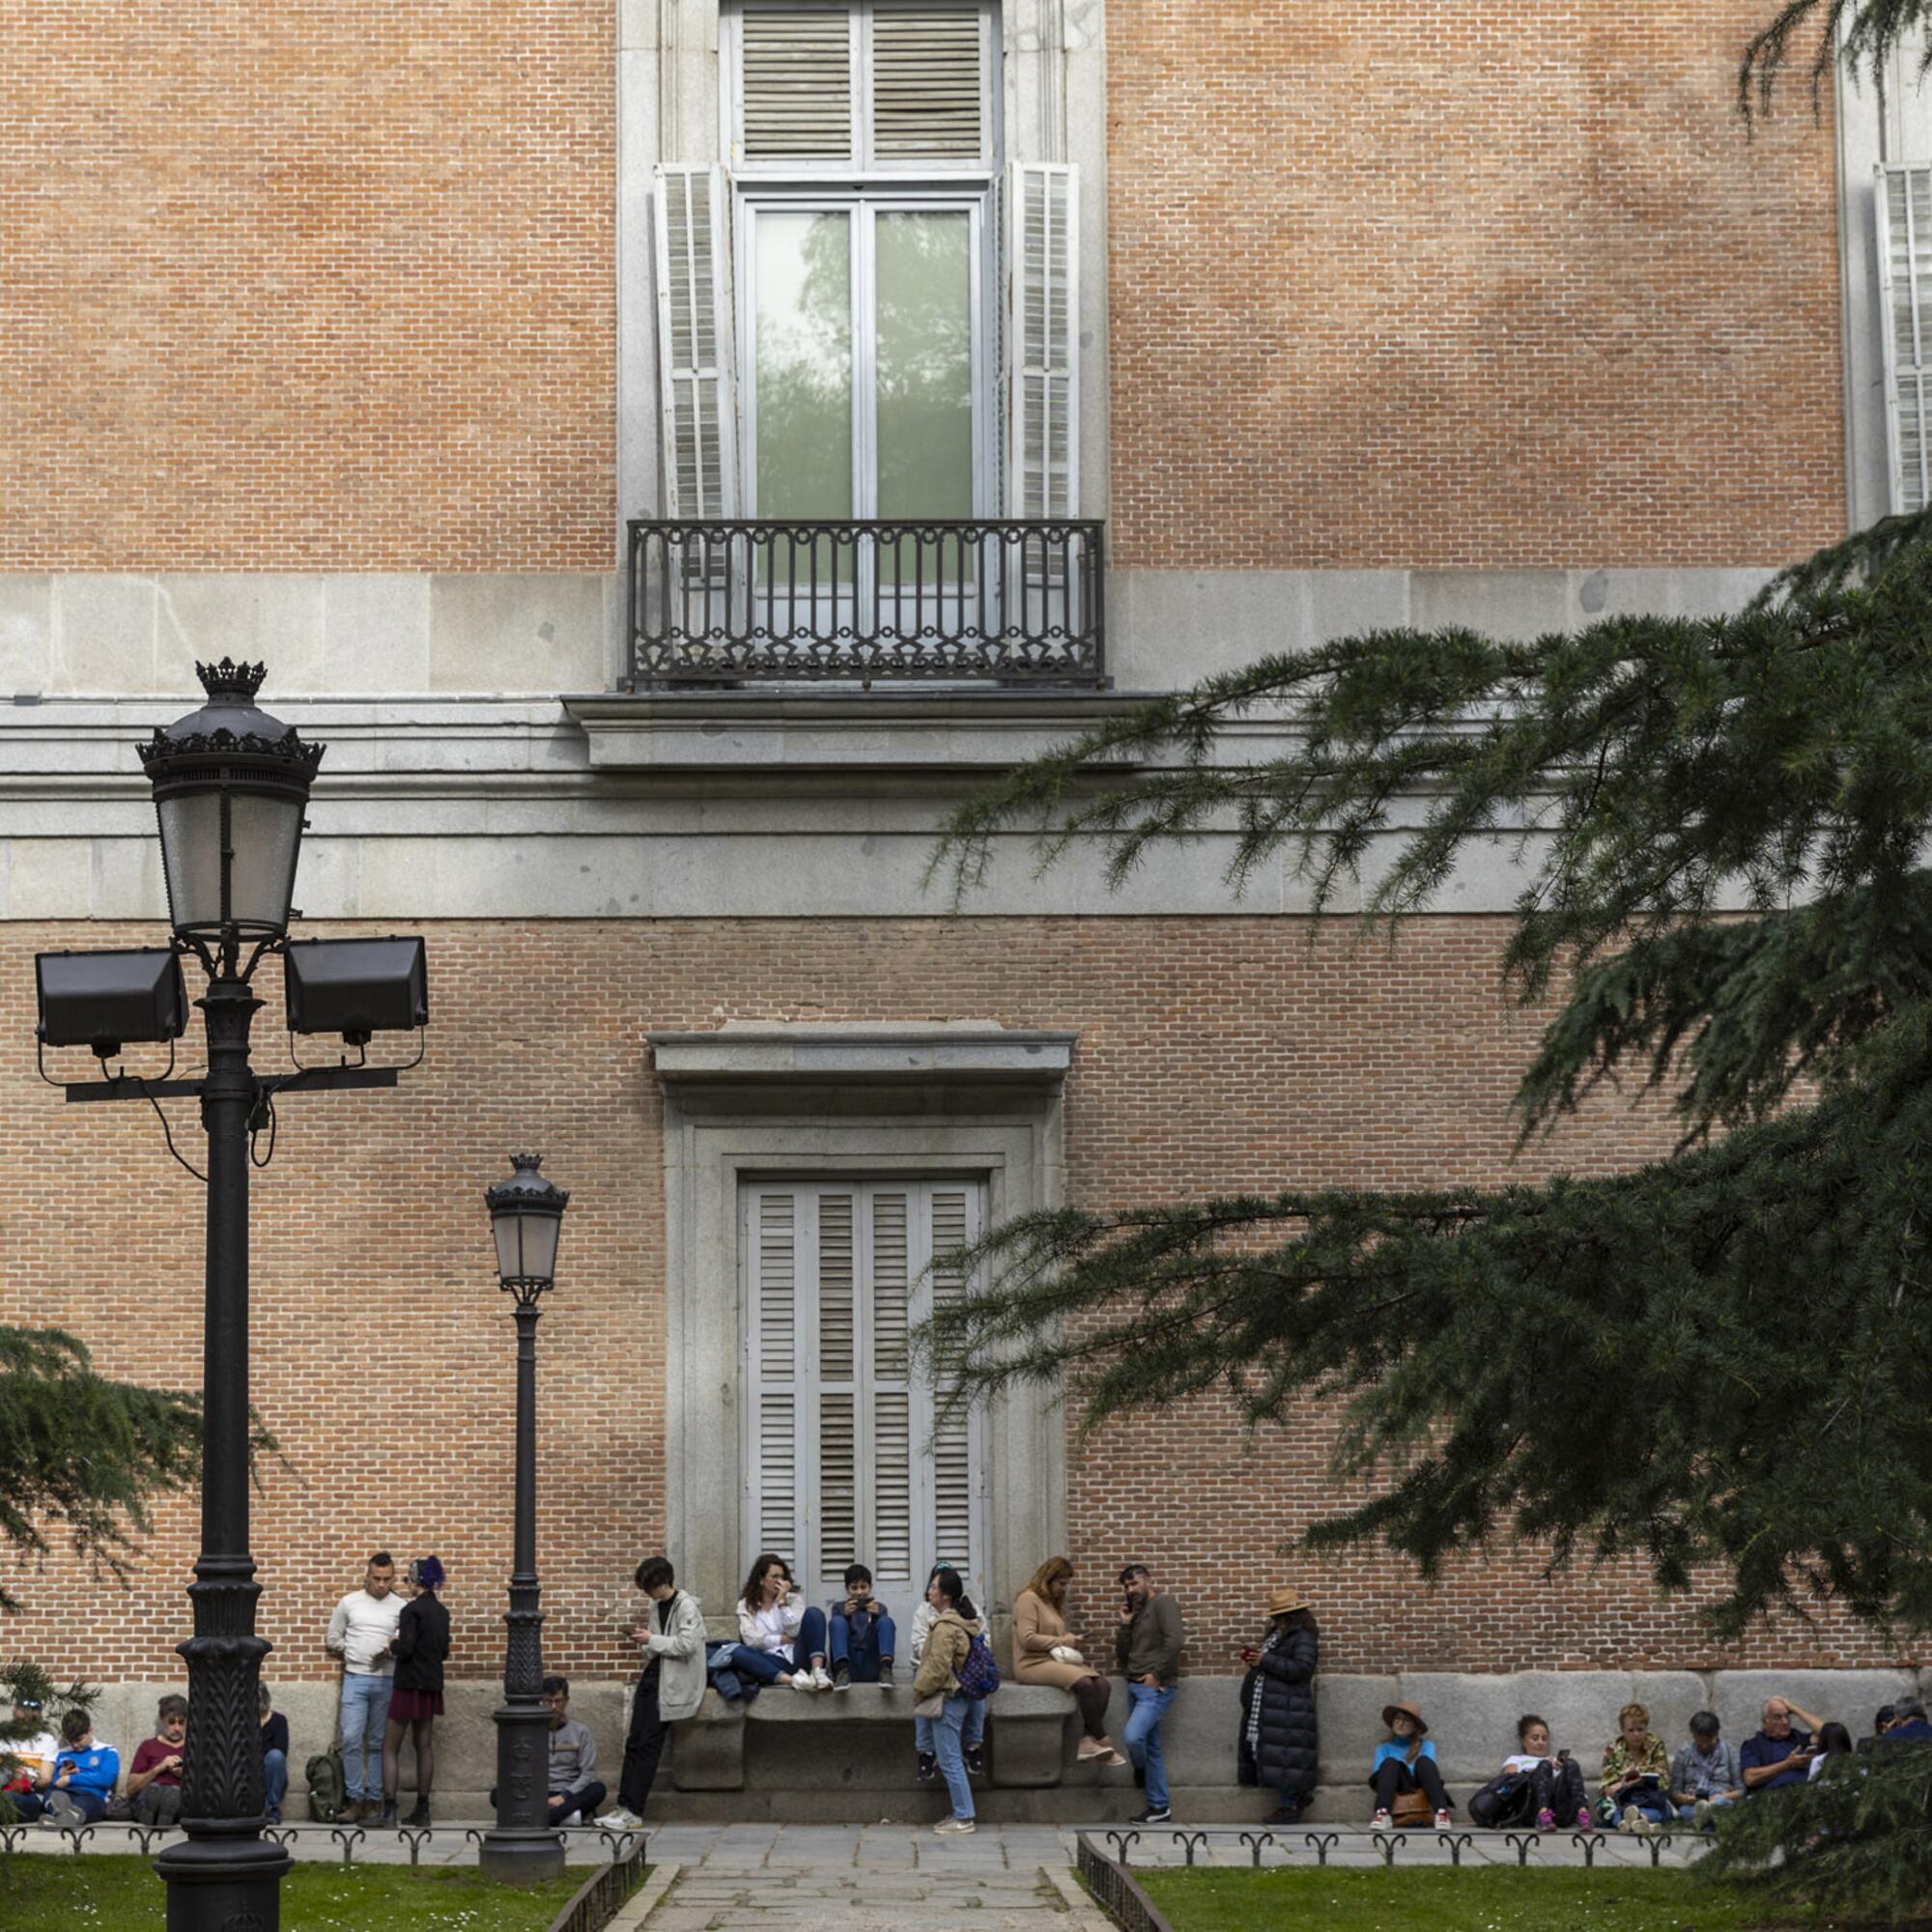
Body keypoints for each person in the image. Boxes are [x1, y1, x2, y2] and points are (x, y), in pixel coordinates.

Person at [604, 1553, 706, 1831]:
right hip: (653, 1677)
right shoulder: (655, 1606)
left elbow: (686, 1645)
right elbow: (656, 1648)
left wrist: (652, 1639)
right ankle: (623, 1806)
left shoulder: (687, 1607)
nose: (648, 1593)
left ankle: (634, 1811)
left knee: (648, 1746)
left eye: (649, 1587)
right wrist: (644, 1641)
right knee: (634, 1743)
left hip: (671, 1683)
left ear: (663, 1582)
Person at [1012, 1555, 1120, 1766]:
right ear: (1048, 1579)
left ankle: (1088, 1740)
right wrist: (1064, 1640)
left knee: (1103, 1685)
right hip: (1031, 1663)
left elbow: (1055, 1640)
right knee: (1085, 1684)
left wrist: (1071, 1641)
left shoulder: (1052, 1604)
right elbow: (1028, 1639)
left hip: (1052, 1661)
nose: (1063, 1589)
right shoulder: (1028, 1599)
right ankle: (1104, 1739)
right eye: (1061, 1583)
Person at [325, 1550, 405, 1823]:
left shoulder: (401, 1606)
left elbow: (404, 1642)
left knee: (378, 1743)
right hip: (355, 1677)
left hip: (387, 1678)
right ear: (367, 1577)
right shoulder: (349, 1603)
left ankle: (374, 1800)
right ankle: (354, 1798)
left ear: (393, 1578)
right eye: (376, 1579)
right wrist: (353, 1650)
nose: (381, 1584)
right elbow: (333, 1638)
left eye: (386, 1579)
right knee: (350, 1739)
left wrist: (389, 1651)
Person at [1236, 1584, 1319, 1825]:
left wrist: (1266, 1659)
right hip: (1272, 1706)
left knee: (1286, 1758)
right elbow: (1274, 1664)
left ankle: (1290, 1805)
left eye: (1280, 1616)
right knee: (1274, 1755)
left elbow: (1302, 1669)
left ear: (1292, 1616)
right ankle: (1293, 1799)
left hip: (1288, 1708)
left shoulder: (1303, 1638)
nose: (1276, 1620)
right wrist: (1257, 1661)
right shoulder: (1277, 1636)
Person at [913, 1565, 983, 1835]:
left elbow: (936, 1667)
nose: (929, 1591)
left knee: (949, 1759)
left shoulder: (945, 1626)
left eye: (933, 1586)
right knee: (950, 1757)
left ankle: (963, 1817)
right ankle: (961, 1812)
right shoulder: (962, 1622)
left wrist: (919, 1690)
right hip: (959, 1696)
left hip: (947, 1698)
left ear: (945, 1595)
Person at [1116, 1562, 1185, 1827]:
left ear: (1148, 1580)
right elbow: (1123, 1656)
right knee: (1152, 1747)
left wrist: (1156, 1674)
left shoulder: (1164, 1604)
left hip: (1154, 1688)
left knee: (1134, 1738)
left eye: (1134, 1583)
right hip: (1134, 1686)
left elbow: (1175, 1641)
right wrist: (1125, 1625)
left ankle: (1141, 1770)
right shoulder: (1138, 1613)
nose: (1131, 1590)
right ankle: (1159, 1808)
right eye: (1127, 1586)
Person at [383, 1554, 449, 1827]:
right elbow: (443, 1651)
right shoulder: (442, 1612)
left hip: (409, 1683)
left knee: (389, 1747)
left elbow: (405, 1648)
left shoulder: (411, 1611)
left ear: (415, 1580)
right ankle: (423, 1810)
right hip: (431, 1684)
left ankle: (389, 1810)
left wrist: (392, 1645)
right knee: (424, 1745)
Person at [1468, 1714, 1588, 1832]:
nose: (1541, 1742)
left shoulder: (1554, 1761)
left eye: (1544, 1738)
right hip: (1531, 1812)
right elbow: (1511, 1782)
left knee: (1571, 1763)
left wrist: (1563, 1771)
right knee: (1544, 1766)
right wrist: (1541, 1769)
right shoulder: (1516, 1760)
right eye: (1535, 1738)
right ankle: (1543, 1815)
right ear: (1523, 1740)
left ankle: (1582, 1814)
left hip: (1560, 1812)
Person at [731, 1552, 831, 1691]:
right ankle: (794, 1681)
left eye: (782, 1577)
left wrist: (782, 1603)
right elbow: (750, 1640)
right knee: (738, 1653)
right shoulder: (746, 1605)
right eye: (774, 1577)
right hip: (771, 1661)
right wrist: (782, 1639)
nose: (779, 1582)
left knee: (814, 1613)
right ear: (761, 1580)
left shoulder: (794, 1600)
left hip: (798, 1656)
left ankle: (818, 1673)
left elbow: (795, 1631)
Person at [1369, 1701, 1453, 1829]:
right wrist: (1398, 1767)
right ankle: (1383, 1813)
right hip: (1396, 1785)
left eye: (1406, 1720)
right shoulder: (1383, 1748)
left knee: (1424, 1761)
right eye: (1397, 1719)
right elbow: (1379, 1777)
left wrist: (1406, 1768)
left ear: (1415, 1727)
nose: (1400, 1724)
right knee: (1390, 1763)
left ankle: (1441, 1812)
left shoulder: (1426, 1745)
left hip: (1420, 1784)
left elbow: (1430, 1773)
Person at [1600, 1701, 1672, 1833]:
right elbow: (1607, 1789)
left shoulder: (1656, 1745)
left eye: (1640, 1729)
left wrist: (1640, 1778)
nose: (1636, 1734)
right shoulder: (1613, 1749)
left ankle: (1635, 1822)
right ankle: (1644, 1823)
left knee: (1663, 1812)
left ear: (1646, 1728)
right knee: (1616, 1815)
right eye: (1631, 1730)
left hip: (1650, 1800)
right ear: (1623, 1730)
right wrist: (1622, 1784)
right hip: (1625, 1802)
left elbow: (1664, 1781)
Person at [41, 1707, 119, 1827]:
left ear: (90, 1730)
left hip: (92, 1796)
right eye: (70, 1741)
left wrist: (71, 1779)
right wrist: (60, 1776)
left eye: (79, 1739)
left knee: (81, 1803)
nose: (75, 1745)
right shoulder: (63, 1753)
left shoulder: (108, 1751)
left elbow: (106, 1778)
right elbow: (54, 1783)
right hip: (64, 1793)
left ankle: (58, 1819)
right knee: (50, 1795)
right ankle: (65, 1817)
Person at [542, 1678, 605, 1826]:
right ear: (541, 1701)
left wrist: (564, 1796)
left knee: (598, 1789)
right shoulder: (531, 1732)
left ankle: (541, 1818)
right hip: (540, 1794)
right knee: (497, 1794)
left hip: (570, 1793)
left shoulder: (581, 1731)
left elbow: (588, 1774)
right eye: (548, 1701)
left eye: (558, 1701)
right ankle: (566, 1817)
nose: (553, 1706)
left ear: (567, 1700)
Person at [1669, 1710, 1744, 1828]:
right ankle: (1710, 1819)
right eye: (1700, 1743)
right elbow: (1675, 1793)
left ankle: (1708, 1814)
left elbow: (1740, 1790)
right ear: (1693, 1736)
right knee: (1685, 1812)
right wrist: (1687, 1799)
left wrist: (1722, 1797)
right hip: (1693, 1805)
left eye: (1709, 1743)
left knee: (1724, 1805)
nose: (1704, 1746)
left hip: (1721, 1801)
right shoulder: (1684, 1754)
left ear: (1716, 1735)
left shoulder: (1729, 1752)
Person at [827, 1564, 897, 1690]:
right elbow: (838, 1637)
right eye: (854, 1588)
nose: (859, 1592)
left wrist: (876, 1617)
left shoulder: (880, 1608)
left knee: (886, 1621)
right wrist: (845, 1616)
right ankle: (842, 1672)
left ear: (870, 1588)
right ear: (847, 1589)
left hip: (871, 1664)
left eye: (863, 1587)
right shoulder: (838, 1607)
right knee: (837, 1621)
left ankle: (886, 1670)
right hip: (849, 1665)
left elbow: (881, 1636)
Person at [1741, 1695, 1827, 1795]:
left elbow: (1828, 1733)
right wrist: (1787, 1764)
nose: (1785, 1722)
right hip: (1775, 1798)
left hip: (1808, 1793)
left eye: (1787, 1716)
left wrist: (1796, 1710)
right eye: (1778, 1717)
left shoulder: (1797, 1737)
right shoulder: (1754, 1745)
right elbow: (1750, 1779)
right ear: (1765, 1722)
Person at [127, 1694, 188, 1828]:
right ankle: (151, 1813)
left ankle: (163, 1816)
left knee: (174, 1795)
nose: (177, 1728)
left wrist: (183, 1775)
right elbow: (131, 1789)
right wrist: (159, 1768)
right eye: (171, 1722)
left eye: (181, 1722)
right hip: (149, 1792)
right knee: (154, 1791)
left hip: (179, 1796)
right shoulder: (148, 1746)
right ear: (162, 1720)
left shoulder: (193, 1747)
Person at [4, 1694, 62, 1824]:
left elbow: (45, 1780)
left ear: (39, 1715)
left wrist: (29, 1779)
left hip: (30, 1796)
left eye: (32, 1713)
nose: (27, 1717)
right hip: (4, 1787)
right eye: (23, 1712)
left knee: (6, 1800)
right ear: (15, 1712)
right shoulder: (4, 1739)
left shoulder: (47, 1741)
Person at [260, 1685, 289, 1826]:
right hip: (251, 1773)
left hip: (271, 1772)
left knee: (275, 1757)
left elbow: (281, 1749)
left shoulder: (279, 1721)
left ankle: (272, 1808)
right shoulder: (244, 1721)